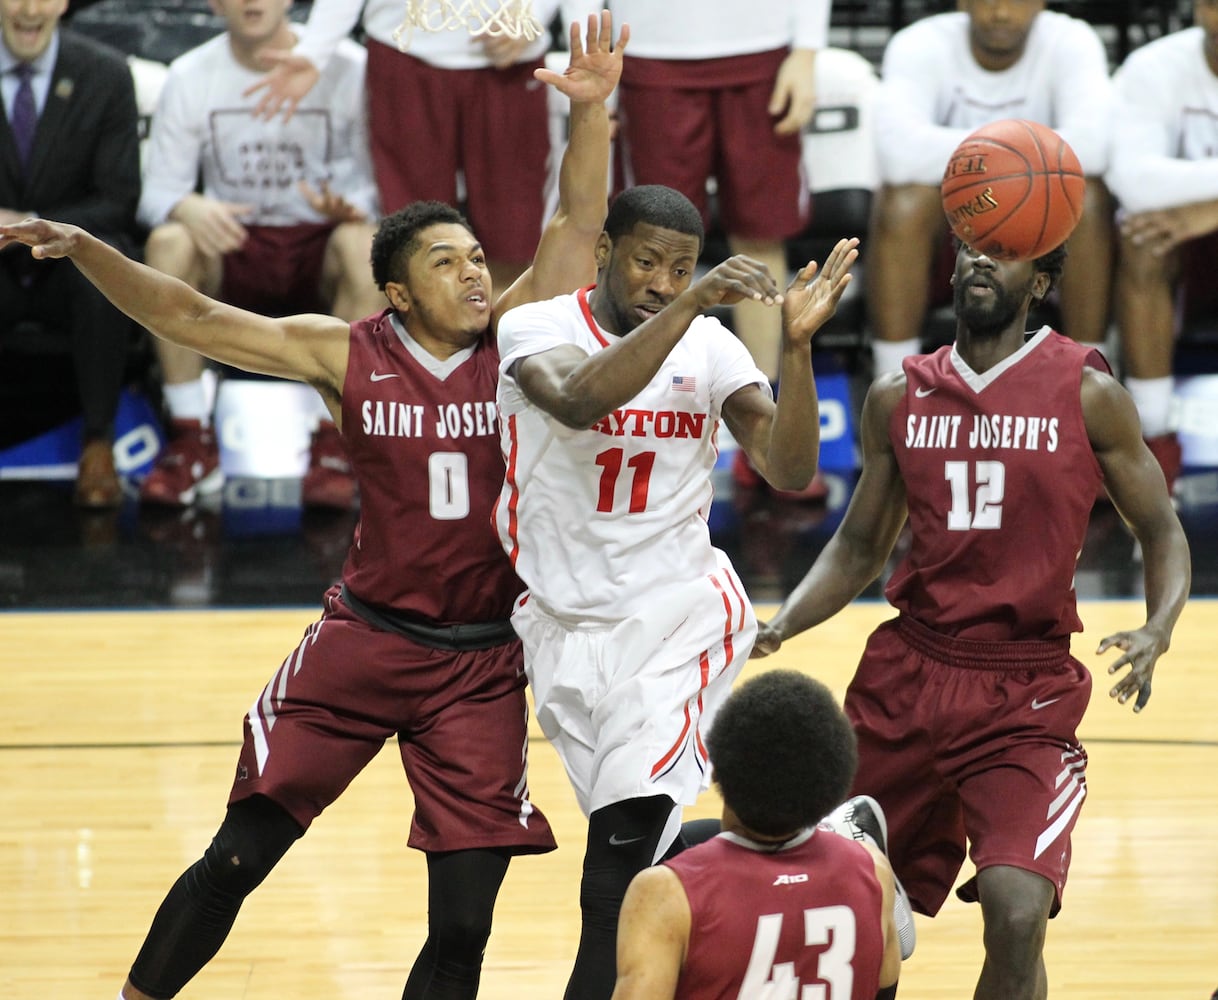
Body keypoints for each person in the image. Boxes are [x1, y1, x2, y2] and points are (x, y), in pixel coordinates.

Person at [0, 12, 625, 999]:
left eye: (475, 257)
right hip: (366, 643)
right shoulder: (347, 353)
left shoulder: (517, 340)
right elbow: (189, 314)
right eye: (445, 262)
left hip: (480, 660)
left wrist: (592, 117)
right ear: (395, 294)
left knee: (464, 923)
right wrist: (86, 248)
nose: (472, 271)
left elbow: (577, 227)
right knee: (237, 859)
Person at [755, 238, 1192, 999]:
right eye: (970, 250)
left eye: (1008, 254)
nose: (982, 262)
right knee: (832, 900)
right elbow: (860, 544)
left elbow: (1161, 529)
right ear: (951, 271)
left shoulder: (1088, 393)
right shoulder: (899, 395)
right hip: (908, 675)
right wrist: (785, 620)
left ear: (1042, 283)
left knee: (1017, 915)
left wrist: (1158, 628)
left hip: (1024, 688)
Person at [493, 181, 859, 999]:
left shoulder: (712, 347)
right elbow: (582, 400)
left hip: (676, 620)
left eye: (681, 267)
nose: (663, 282)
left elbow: (790, 468)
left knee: (614, 871)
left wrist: (794, 350)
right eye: (648, 262)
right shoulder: (536, 327)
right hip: (560, 627)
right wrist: (693, 301)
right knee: (642, 842)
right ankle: (823, 836)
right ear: (604, 253)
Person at [136, 0, 383, 510]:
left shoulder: (349, 66)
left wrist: (349, 207)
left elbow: (380, 190)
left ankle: (334, 443)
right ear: (213, 3)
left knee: (369, 243)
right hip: (234, 246)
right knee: (169, 242)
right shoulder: (191, 73)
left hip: (320, 247)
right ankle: (190, 438)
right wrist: (189, 204)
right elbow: (155, 194)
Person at [610, 669, 903, 1000]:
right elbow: (884, 981)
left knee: (687, 842)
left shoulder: (664, 892)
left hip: (705, 893)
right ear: (833, 778)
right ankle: (828, 841)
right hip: (847, 884)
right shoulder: (874, 869)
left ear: (718, 768)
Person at [243, 0, 569, 294]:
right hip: (404, 49)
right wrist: (315, 50)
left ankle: (496, 357)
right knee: (413, 245)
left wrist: (534, 10)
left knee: (513, 243)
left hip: (510, 58)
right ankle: (419, 359)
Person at [867, 0, 1114, 382]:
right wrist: (1012, 164)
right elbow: (897, 154)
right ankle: (891, 385)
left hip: (1041, 236)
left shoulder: (1072, 41)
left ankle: (1092, 380)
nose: (1001, 13)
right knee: (902, 203)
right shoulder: (918, 43)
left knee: (1090, 200)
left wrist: (988, 166)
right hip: (953, 231)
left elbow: (1096, 148)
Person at [0, 0, 140, 507]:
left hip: (66, 257)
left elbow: (119, 199)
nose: (30, 8)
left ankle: (99, 441)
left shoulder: (106, 73)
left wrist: (31, 224)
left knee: (106, 266)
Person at [1104, 0, 1218, 494]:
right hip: (1183, 246)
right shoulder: (1154, 66)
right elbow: (1131, 178)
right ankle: (1153, 436)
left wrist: (1210, 209)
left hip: (1198, 221)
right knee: (1143, 234)